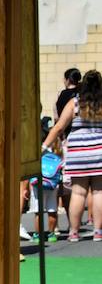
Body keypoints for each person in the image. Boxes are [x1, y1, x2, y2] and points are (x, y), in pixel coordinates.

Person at [44, 69, 102, 241]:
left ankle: (74, 232)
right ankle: (98, 232)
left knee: (78, 193)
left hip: (78, 152)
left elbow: (59, 127)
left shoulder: (75, 103)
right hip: (99, 149)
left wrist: (44, 145)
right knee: (99, 192)